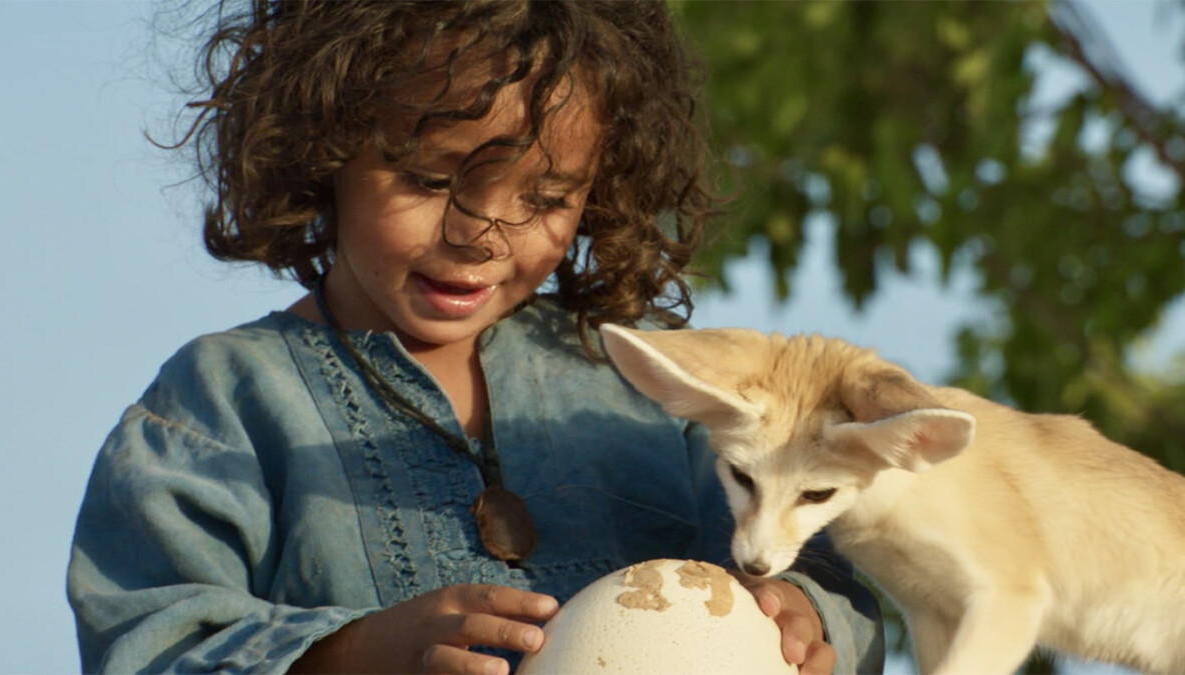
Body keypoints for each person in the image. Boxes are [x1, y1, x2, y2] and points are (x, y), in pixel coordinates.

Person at [67, 1, 885, 673]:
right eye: (429, 178)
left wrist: (807, 618)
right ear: (324, 144)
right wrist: (358, 654)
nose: (483, 234)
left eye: (547, 196)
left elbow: (824, 569)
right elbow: (150, 640)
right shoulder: (221, 400)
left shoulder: (653, 383)